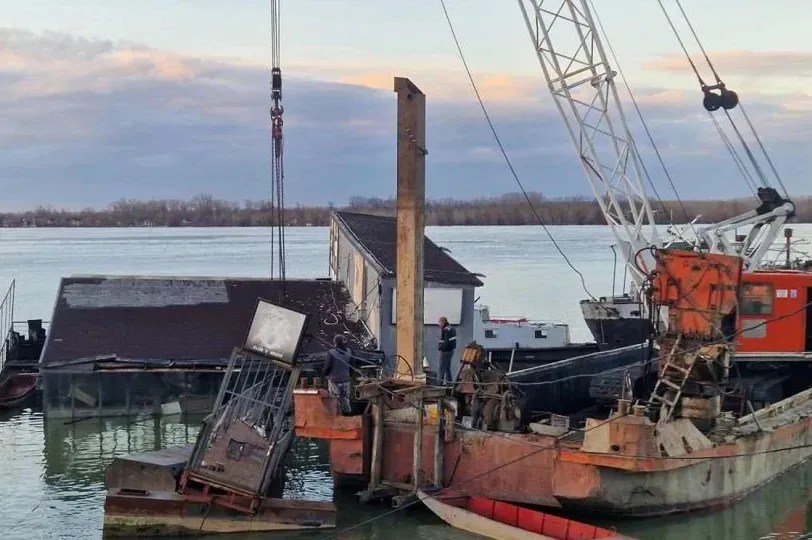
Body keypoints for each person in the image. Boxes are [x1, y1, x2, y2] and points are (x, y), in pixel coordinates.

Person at [322, 334, 352, 415]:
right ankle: (348, 418)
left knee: (334, 400)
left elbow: (327, 367)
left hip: (334, 381)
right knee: (346, 400)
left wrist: (324, 374)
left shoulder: (331, 353)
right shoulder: (349, 351)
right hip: (346, 380)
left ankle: (336, 418)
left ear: (335, 343)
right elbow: (352, 366)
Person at [437, 316, 457, 385]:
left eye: (439, 322)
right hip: (450, 351)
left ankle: (439, 384)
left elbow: (446, 342)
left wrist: (440, 348)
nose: (438, 324)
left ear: (443, 322)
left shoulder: (446, 330)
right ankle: (449, 382)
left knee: (441, 368)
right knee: (447, 368)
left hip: (445, 352)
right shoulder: (452, 328)